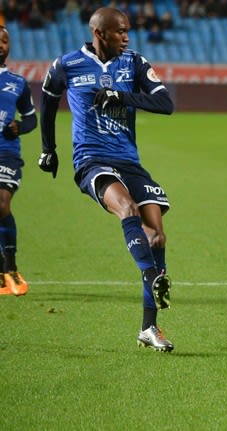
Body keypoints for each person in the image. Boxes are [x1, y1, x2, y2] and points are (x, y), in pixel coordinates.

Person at [39, 7, 176, 352]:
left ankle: (149, 328)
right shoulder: (67, 65)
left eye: (128, 31)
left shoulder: (134, 64)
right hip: (91, 160)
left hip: (129, 161)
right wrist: (48, 150)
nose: (127, 37)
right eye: (120, 32)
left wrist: (122, 96)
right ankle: (149, 274)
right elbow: (48, 101)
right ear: (100, 34)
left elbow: (166, 103)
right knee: (127, 208)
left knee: (157, 237)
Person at [0, 26, 37, 297]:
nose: (1, 44)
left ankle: (10, 265)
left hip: (6, 151)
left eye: (5, 40)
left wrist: (19, 128)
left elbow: (31, 119)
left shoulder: (18, 82)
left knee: (1, 204)